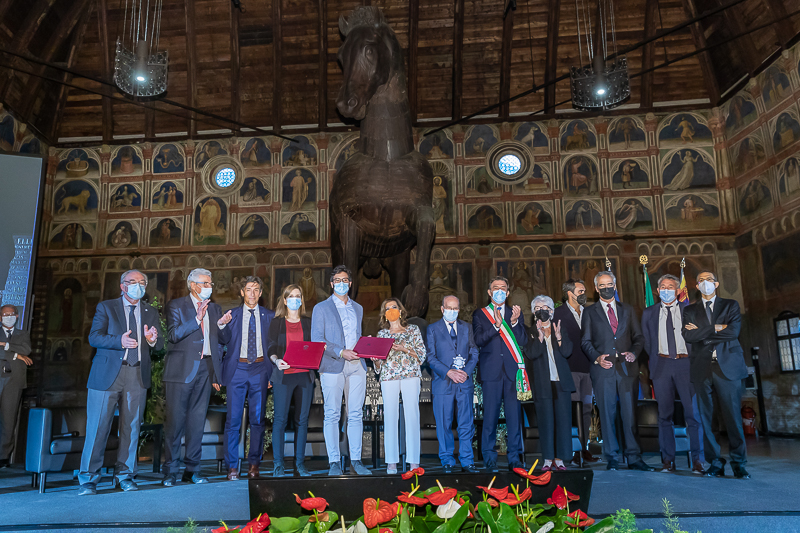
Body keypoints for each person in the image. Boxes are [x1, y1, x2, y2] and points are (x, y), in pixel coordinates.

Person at [77, 270, 164, 495]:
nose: (139, 286)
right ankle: (88, 478)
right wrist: (120, 340)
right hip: (107, 375)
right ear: (123, 286)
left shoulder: (150, 311)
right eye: (133, 282)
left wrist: (153, 341)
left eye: (142, 282)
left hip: (137, 375)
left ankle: (124, 475)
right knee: (98, 427)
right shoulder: (107, 307)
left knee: (132, 428)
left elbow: (160, 344)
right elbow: (94, 337)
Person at [163, 268, 232, 486]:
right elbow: (173, 335)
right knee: (174, 423)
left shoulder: (215, 308)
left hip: (205, 369)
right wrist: (196, 319)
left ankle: (192, 469)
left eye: (210, 283)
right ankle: (171, 471)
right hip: (180, 371)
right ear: (193, 285)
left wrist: (221, 325)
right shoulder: (176, 305)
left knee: (196, 422)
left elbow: (223, 340)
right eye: (205, 283)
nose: (209, 287)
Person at [581, 271, 652, 471]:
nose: (606, 288)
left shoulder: (627, 309)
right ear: (596, 289)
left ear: (615, 286)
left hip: (627, 370)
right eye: (602, 285)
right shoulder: (589, 312)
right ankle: (611, 457)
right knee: (607, 414)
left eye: (609, 284)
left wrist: (634, 353)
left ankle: (634, 457)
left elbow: (639, 337)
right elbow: (585, 341)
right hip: (603, 371)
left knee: (630, 415)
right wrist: (596, 357)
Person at [682, 271, 750, 479]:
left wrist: (703, 329)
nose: (705, 283)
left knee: (732, 418)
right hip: (702, 368)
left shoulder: (730, 305)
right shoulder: (690, 310)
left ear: (717, 284)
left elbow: (733, 332)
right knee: (707, 419)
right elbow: (689, 335)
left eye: (709, 280)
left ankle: (739, 463)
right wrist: (717, 328)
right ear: (696, 285)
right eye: (701, 280)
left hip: (727, 368)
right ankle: (715, 463)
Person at [311, 265, 371, 476]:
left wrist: (366, 347)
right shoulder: (321, 308)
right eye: (337, 280)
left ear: (350, 283)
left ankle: (356, 461)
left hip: (357, 365)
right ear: (331, 283)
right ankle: (334, 462)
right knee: (332, 414)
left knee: (355, 414)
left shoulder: (358, 308)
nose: (341, 283)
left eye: (345, 280)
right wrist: (340, 352)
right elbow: (317, 340)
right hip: (332, 365)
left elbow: (357, 335)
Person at [641, 274, 703, 474]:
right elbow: (647, 342)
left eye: (671, 286)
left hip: (686, 365)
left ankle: (698, 460)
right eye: (663, 287)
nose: (666, 290)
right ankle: (668, 460)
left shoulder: (690, 310)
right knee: (664, 415)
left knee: (692, 414)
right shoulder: (649, 313)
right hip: (661, 366)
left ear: (678, 291)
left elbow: (698, 338)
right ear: (657, 291)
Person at [217, 276, 274, 481]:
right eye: (248, 289)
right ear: (242, 292)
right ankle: (232, 467)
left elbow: (275, 346)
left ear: (260, 293)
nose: (252, 293)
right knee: (233, 420)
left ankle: (253, 465)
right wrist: (221, 326)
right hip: (237, 370)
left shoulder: (270, 316)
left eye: (256, 289)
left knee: (257, 420)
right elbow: (221, 341)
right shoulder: (231, 315)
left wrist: (272, 374)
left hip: (260, 369)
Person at [472, 276, 528, 472]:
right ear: (489, 292)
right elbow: (479, 339)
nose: (499, 291)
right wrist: (496, 326)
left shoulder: (515, 313)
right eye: (495, 288)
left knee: (514, 417)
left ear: (508, 292)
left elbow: (523, 340)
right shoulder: (480, 314)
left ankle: (515, 457)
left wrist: (513, 323)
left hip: (513, 372)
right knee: (490, 417)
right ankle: (488, 456)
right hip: (491, 371)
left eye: (503, 288)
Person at [426, 296, 479, 473]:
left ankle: (467, 460)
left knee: (466, 423)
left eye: (455, 308)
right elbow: (430, 357)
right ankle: (447, 459)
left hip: (464, 382)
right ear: (442, 309)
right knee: (444, 423)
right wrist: (448, 372)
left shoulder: (467, 328)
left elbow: (474, 352)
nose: (452, 311)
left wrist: (466, 371)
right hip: (443, 382)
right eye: (449, 308)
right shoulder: (432, 329)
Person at [375, 298, 426, 474]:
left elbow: (422, 355)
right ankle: (391, 462)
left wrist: (405, 350)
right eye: (387, 308)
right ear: (384, 314)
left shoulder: (413, 330)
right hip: (388, 377)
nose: (391, 310)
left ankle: (414, 462)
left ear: (401, 310)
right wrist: (376, 361)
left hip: (411, 375)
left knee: (412, 416)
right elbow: (378, 365)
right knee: (390, 417)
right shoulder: (381, 334)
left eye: (394, 307)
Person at [268, 284, 314, 478]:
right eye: (291, 296)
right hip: (283, 375)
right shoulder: (277, 322)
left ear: (302, 300)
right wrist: (276, 360)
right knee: (279, 420)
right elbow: (270, 347)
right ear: (285, 300)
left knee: (302, 421)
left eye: (298, 296)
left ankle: (299, 465)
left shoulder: (308, 322)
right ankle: (278, 464)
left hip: (305, 375)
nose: (295, 299)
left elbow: (313, 346)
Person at [524, 296, 574, 471]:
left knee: (562, 420)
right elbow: (531, 354)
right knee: (545, 421)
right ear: (533, 312)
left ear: (552, 311)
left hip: (561, 383)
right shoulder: (530, 332)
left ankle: (560, 459)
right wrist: (539, 337)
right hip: (542, 383)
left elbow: (567, 352)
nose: (542, 310)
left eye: (545, 307)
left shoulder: (561, 328)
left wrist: (558, 338)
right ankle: (547, 459)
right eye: (537, 307)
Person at [553, 279, 599, 467]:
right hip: (569, 370)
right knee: (573, 410)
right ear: (570, 293)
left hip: (588, 369)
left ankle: (583, 448)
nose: (584, 293)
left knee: (586, 409)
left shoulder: (589, 312)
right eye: (581, 290)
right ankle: (571, 450)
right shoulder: (558, 314)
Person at [0, 305, 32, 468]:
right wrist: (15, 354)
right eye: (5, 314)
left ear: (17, 316)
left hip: (14, 381)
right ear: (0, 318)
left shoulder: (23, 334)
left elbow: (26, 349)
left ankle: (3, 456)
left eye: (12, 314)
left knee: (9, 418)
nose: (9, 316)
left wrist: (4, 346)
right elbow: (19, 352)